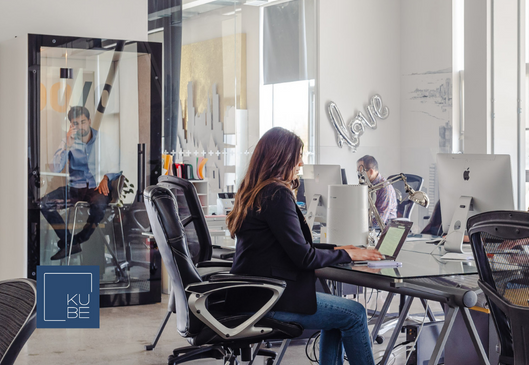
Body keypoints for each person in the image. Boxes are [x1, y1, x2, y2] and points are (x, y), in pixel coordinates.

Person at [226, 127, 383, 365]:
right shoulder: (276, 194)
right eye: (296, 156)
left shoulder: (254, 191)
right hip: (270, 299)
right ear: (281, 158)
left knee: (338, 316)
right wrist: (346, 254)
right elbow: (304, 258)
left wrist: (339, 250)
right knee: (355, 314)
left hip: (255, 294)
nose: (300, 162)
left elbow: (293, 249)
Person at [41, 106, 120, 260]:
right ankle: (70, 242)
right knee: (45, 203)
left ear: (89, 121)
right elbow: (55, 168)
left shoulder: (102, 140)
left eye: (83, 122)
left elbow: (117, 164)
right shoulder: (67, 141)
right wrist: (67, 145)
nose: (80, 126)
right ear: (71, 125)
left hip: (96, 187)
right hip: (75, 189)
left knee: (98, 207)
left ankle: (76, 241)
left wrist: (106, 178)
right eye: (75, 123)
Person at [356, 155, 397, 227]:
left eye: (361, 172)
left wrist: (359, 224)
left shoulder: (385, 188)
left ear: (371, 171)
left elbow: (379, 221)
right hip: (371, 228)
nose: (359, 175)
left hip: (385, 230)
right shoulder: (367, 185)